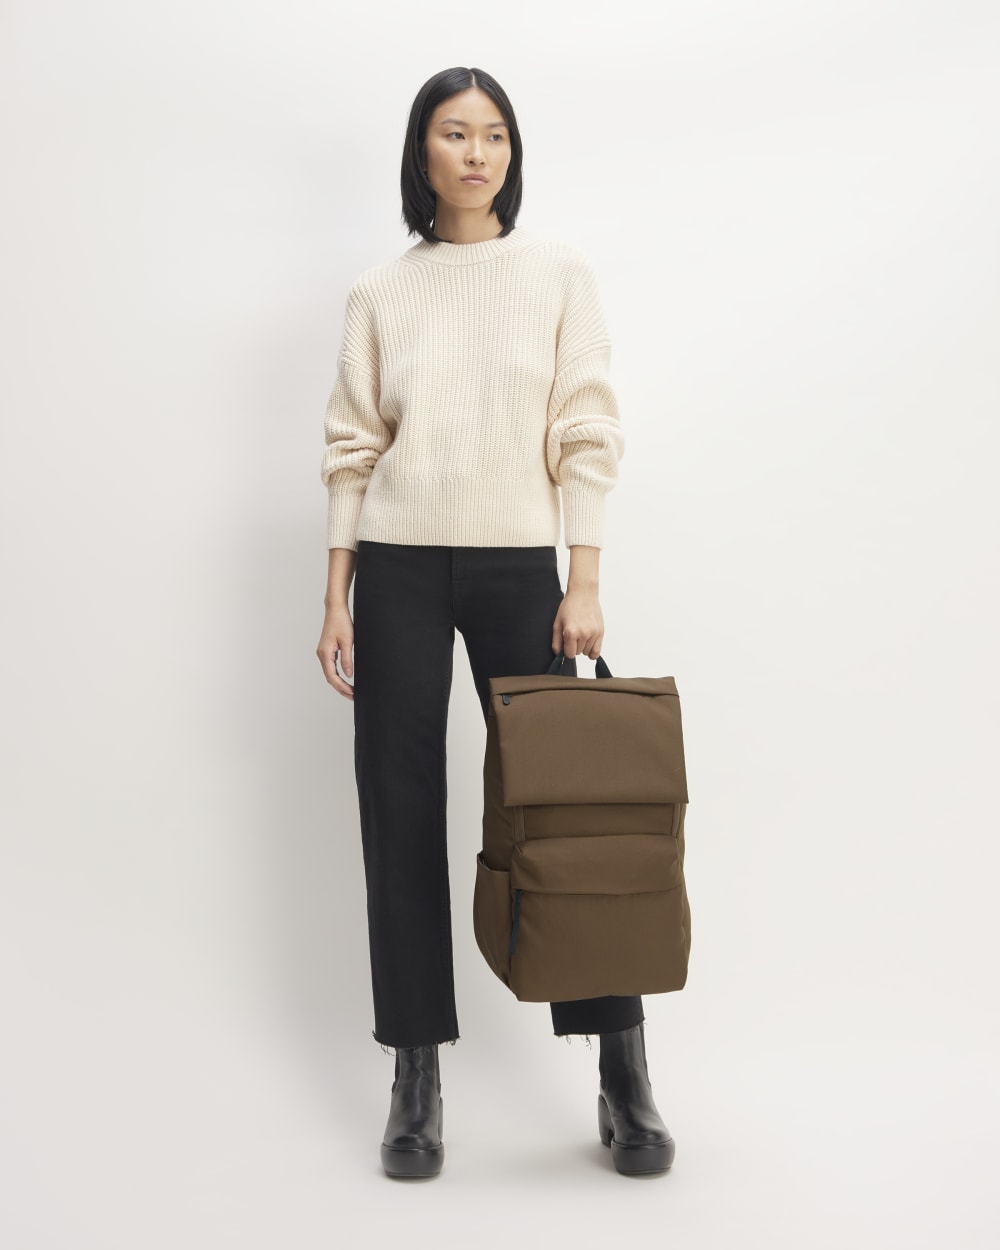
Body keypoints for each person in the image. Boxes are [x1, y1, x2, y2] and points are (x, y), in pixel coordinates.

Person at [316, 66, 674, 1179]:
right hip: (397, 566)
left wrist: (584, 574)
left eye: (494, 135)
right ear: (420, 153)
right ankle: (415, 1072)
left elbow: (586, 425)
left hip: (522, 565)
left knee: (564, 810)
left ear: (511, 154)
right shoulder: (381, 292)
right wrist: (335, 593)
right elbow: (352, 446)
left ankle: (623, 1069)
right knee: (398, 807)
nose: (476, 153)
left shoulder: (557, 274)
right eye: (453, 133)